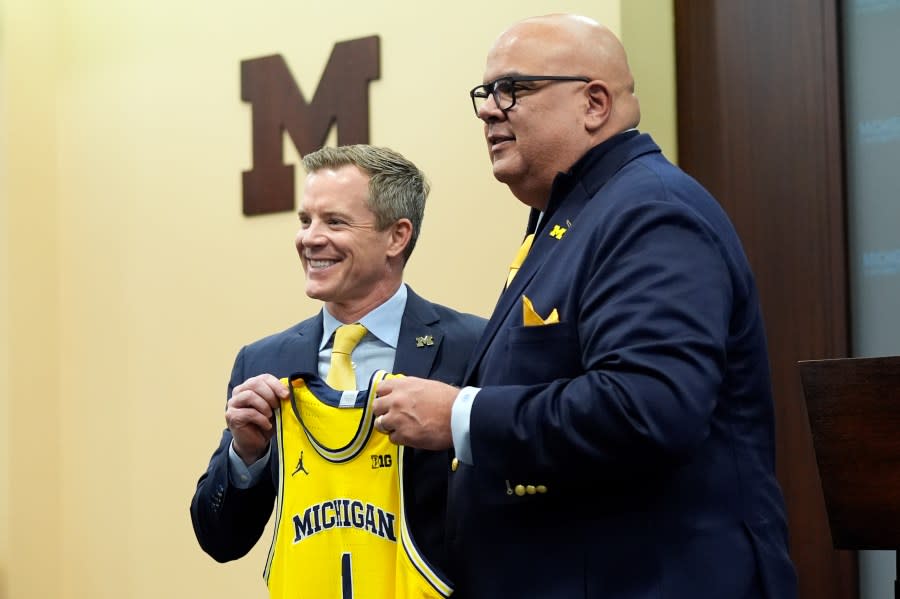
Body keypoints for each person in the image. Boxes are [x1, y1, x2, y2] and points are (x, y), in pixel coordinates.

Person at [371, 14, 798, 598]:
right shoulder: (577, 214)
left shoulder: (650, 212)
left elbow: (648, 408)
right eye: (486, 94)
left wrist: (460, 417)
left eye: (512, 90)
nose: (489, 110)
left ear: (594, 103)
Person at [190, 144, 486, 594]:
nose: (310, 238)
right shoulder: (263, 362)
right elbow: (220, 539)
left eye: (335, 221)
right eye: (305, 220)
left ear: (396, 236)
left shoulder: (473, 348)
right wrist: (246, 457)